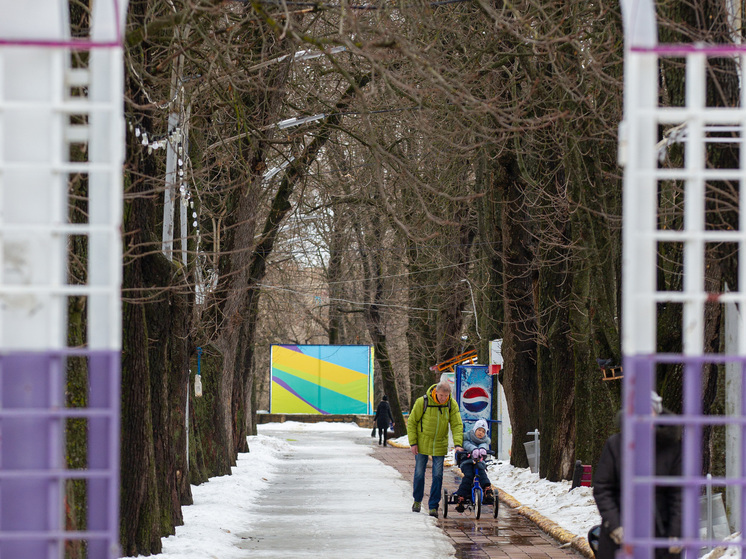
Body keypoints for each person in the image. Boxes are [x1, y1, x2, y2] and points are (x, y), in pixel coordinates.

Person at [593, 392, 682, 559]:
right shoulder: (615, 445)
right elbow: (603, 488)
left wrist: (676, 531)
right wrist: (615, 525)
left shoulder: (672, 448)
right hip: (621, 534)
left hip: (660, 535)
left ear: (657, 413)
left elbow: (679, 493)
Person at [407, 380, 463, 518]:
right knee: (419, 474)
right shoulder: (423, 402)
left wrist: (458, 444)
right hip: (422, 443)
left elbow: (456, 424)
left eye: (446, 396)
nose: (443, 398)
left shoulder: (451, 404)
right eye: (441, 395)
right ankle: (417, 500)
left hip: (440, 444)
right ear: (436, 392)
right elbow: (412, 422)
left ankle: (433, 506)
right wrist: (413, 442)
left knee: (438, 475)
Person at [453, 418, 495, 512]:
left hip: (478, 462)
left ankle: (487, 489)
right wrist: (473, 450)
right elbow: (467, 444)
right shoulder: (468, 437)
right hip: (467, 462)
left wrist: (482, 450)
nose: (480, 433)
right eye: (479, 430)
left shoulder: (484, 441)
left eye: (483, 431)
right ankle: (462, 496)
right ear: (475, 430)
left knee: (482, 473)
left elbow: (483, 445)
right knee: (469, 476)